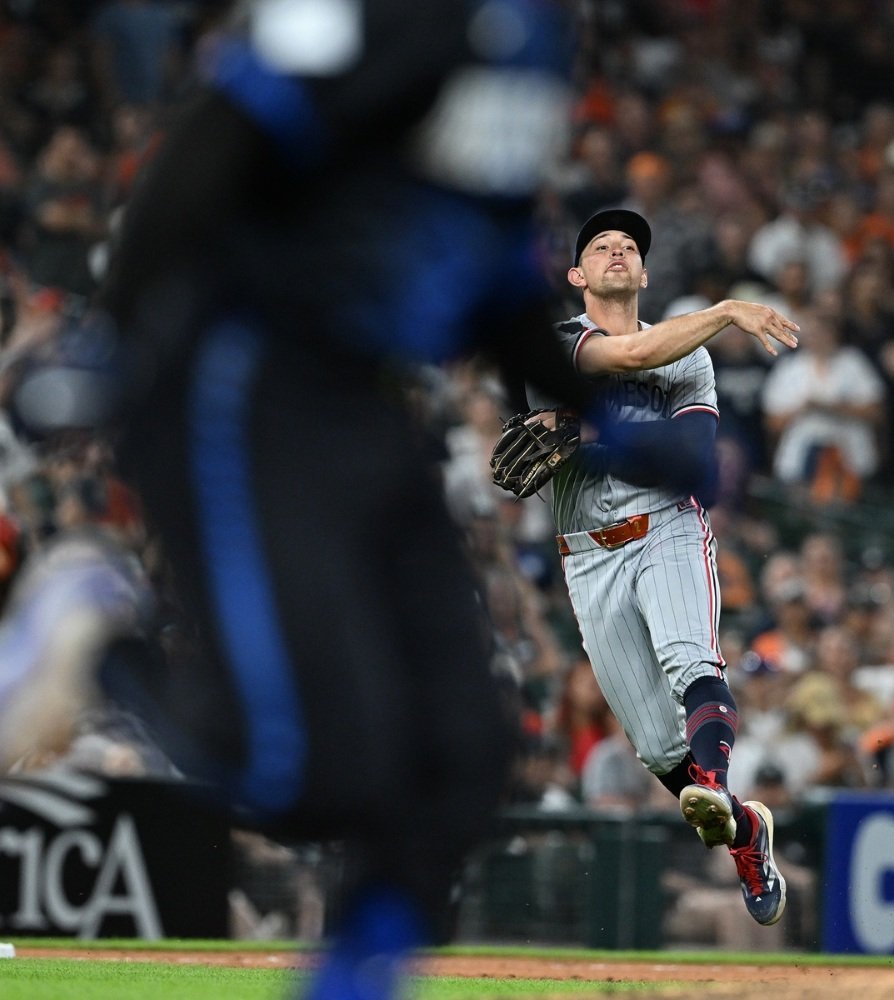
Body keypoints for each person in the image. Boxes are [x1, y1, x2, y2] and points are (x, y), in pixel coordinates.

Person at [8, 5, 608, 1000]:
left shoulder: (539, 33)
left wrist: (608, 412)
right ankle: (100, 639)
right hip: (235, 372)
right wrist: (113, 334)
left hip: (362, 398)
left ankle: (351, 983)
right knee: (305, 771)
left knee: (460, 752)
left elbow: (493, 268)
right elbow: (214, 134)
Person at [531, 207, 800, 927]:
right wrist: (726, 312)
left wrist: (595, 444)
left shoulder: (690, 352)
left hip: (669, 526)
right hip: (587, 556)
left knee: (691, 658)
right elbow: (624, 362)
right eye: (601, 247)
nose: (617, 251)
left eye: (629, 247)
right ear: (578, 275)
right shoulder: (559, 347)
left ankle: (714, 783)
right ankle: (744, 830)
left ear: (645, 275)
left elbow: (692, 466)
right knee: (656, 746)